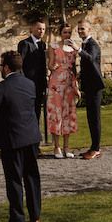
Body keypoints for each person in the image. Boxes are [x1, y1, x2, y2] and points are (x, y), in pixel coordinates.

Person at [0, 50, 42, 222]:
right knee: (31, 177)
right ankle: (35, 215)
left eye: (1, 66)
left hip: (12, 139)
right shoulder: (30, 84)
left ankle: (17, 219)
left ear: (6, 67)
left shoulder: (0, 88)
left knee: (14, 179)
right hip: (30, 137)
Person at [46, 23, 80, 159]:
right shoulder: (53, 47)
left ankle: (67, 147)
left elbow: (75, 68)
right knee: (56, 113)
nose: (67, 35)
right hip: (56, 83)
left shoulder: (74, 48)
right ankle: (56, 147)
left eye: (69, 32)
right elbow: (50, 64)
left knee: (68, 113)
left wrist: (76, 85)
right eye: (65, 32)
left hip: (69, 83)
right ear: (60, 33)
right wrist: (52, 66)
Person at [74, 19, 104, 160]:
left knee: (95, 118)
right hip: (90, 85)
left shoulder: (92, 45)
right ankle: (93, 147)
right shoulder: (85, 44)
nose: (80, 31)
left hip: (95, 87)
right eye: (79, 29)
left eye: (83, 29)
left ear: (89, 30)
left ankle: (96, 149)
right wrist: (80, 75)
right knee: (91, 118)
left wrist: (78, 50)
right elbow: (88, 64)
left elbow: (91, 58)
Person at [17, 21, 48, 128]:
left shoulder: (43, 45)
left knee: (37, 110)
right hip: (28, 84)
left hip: (40, 85)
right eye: (39, 29)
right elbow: (20, 65)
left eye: (43, 29)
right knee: (27, 111)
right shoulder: (25, 44)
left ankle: (35, 137)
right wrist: (22, 82)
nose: (42, 31)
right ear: (32, 28)